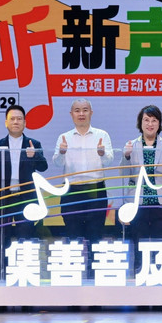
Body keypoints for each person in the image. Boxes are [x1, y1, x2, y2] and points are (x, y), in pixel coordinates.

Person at [0, 105, 48, 280]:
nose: (16, 122)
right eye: (12, 119)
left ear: (25, 122)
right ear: (6, 123)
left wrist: (35, 155)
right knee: (3, 244)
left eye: (19, 119)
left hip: (26, 201)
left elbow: (44, 167)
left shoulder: (34, 144)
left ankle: (27, 280)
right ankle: (2, 279)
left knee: (26, 243)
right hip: (4, 201)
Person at [121, 105, 162, 269]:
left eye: (154, 120)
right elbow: (123, 174)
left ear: (159, 123)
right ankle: (139, 272)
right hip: (138, 201)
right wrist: (126, 156)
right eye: (146, 120)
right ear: (140, 123)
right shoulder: (131, 145)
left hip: (161, 201)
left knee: (160, 241)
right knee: (138, 240)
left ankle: (159, 272)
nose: (150, 124)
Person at [52, 99, 114, 245]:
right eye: (77, 110)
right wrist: (61, 152)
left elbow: (109, 161)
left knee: (95, 236)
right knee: (73, 237)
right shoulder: (64, 137)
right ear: (71, 114)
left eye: (85, 110)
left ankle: (92, 261)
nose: (81, 114)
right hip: (71, 191)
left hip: (95, 190)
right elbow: (57, 163)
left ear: (91, 113)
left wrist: (102, 154)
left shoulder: (102, 135)